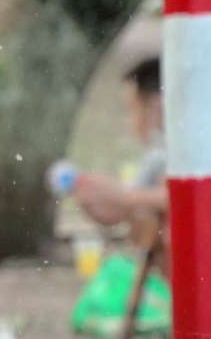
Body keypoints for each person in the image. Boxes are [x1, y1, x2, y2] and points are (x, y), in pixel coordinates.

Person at [64, 56, 167, 228]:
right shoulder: (154, 157)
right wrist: (95, 197)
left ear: (157, 104)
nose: (129, 122)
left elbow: (195, 197)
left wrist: (123, 197)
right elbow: (127, 210)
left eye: (131, 110)